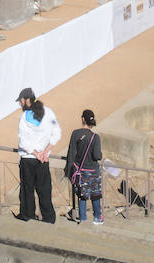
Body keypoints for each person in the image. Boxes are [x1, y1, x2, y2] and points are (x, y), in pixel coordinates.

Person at [13, 87, 61, 223]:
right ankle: (49, 218)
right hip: (43, 160)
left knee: (27, 189)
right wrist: (45, 152)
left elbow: (23, 141)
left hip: (28, 159)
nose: (19, 103)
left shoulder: (24, 117)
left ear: (25, 100)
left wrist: (36, 153)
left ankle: (28, 215)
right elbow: (56, 133)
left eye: (20, 101)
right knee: (44, 190)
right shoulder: (49, 113)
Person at [64, 109, 104, 225]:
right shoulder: (95, 137)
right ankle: (97, 218)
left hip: (80, 172)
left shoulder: (75, 133)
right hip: (93, 171)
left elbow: (71, 153)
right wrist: (100, 155)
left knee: (82, 196)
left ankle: (83, 219)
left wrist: (69, 171)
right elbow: (97, 156)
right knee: (95, 195)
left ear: (82, 119)